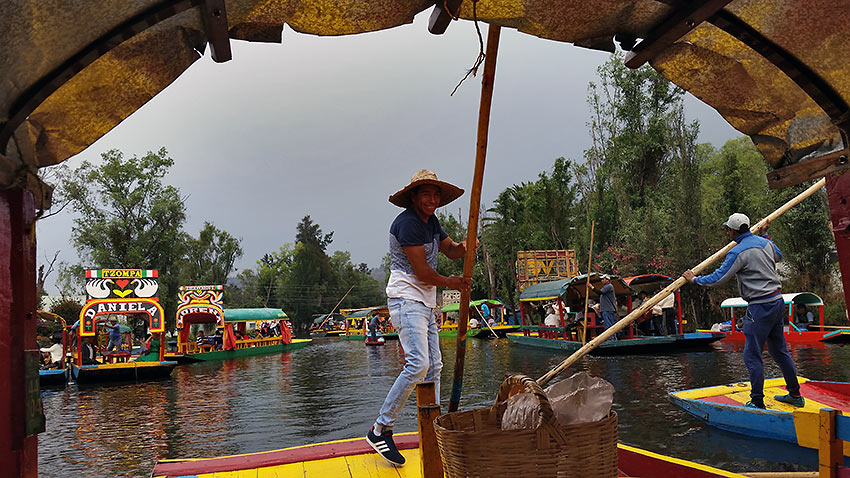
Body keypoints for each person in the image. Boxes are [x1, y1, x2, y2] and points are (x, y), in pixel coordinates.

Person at [367, 170, 473, 466]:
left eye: (435, 195)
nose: (432, 200)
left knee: (434, 367)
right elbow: (423, 273)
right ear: (413, 197)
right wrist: (452, 282)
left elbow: (450, 250)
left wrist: (465, 247)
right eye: (425, 194)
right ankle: (380, 428)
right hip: (406, 298)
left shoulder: (433, 222)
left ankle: (432, 427)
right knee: (419, 363)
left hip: (425, 302)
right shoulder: (407, 224)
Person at [684, 212, 803, 409]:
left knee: (751, 355)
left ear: (731, 231)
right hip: (776, 301)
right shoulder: (765, 243)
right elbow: (779, 256)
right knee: (779, 351)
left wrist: (694, 279)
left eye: (727, 229)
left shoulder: (737, 252)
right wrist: (765, 235)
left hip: (760, 306)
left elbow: (717, 278)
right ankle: (795, 395)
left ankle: (757, 401)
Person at [590, 275, 618, 341]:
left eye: (603, 279)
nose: (601, 280)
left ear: (607, 280)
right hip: (605, 309)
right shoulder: (606, 287)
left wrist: (592, 287)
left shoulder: (609, 286)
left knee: (609, 325)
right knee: (608, 325)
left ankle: (611, 339)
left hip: (608, 309)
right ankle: (612, 338)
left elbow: (600, 292)